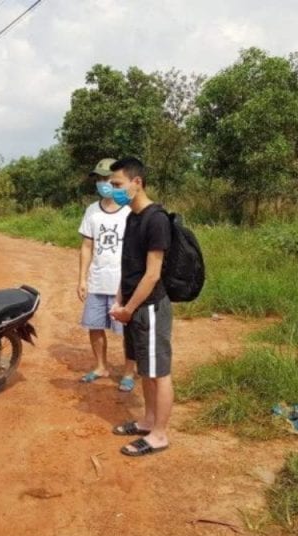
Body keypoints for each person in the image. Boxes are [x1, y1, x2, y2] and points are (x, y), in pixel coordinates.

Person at [108, 157, 173, 457]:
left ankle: (160, 434)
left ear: (137, 182)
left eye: (117, 184)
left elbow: (152, 274)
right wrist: (120, 300)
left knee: (159, 372)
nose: (113, 190)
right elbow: (129, 267)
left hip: (150, 307)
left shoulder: (156, 219)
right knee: (146, 370)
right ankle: (147, 421)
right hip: (134, 307)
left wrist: (129, 308)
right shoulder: (131, 217)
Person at [77, 158, 136, 392]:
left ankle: (129, 372)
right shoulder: (92, 211)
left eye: (108, 178)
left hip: (122, 284)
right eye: (99, 179)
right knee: (94, 325)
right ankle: (101, 366)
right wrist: (82, 279)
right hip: (97, 281)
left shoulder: (130, 211)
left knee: (127, 331)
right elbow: (86, 246)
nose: (103, 183)